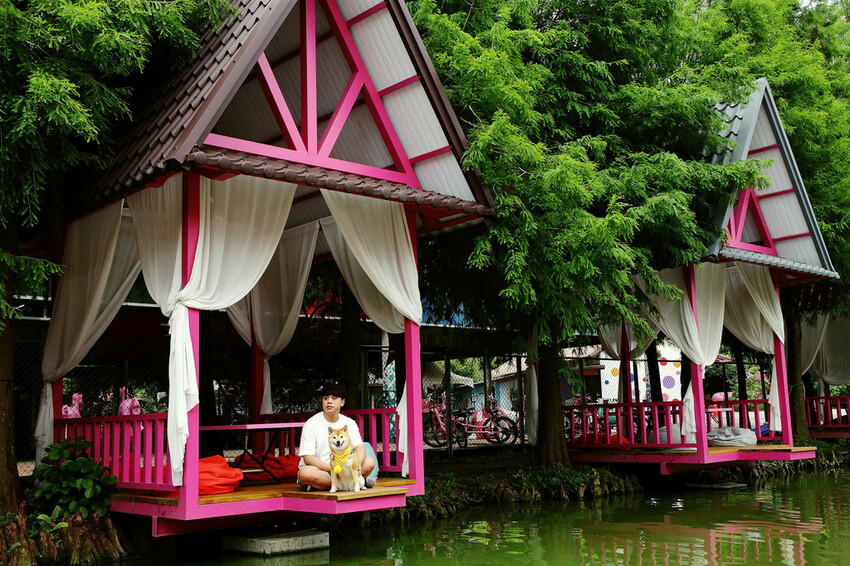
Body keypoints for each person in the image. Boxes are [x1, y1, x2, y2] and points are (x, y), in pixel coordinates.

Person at [297, 383, 377, 491]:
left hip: (344, 469)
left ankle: (325, 485)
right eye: (325, 398)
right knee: (305, 474)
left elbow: (360, 447)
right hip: (322, 470)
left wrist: (358, 464)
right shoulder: (311, 424)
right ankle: (356, 482)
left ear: (342, 402)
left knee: (369, 462)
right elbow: (308, 458)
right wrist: (332, 468)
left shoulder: (349, 423)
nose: (329, 401)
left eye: (334, 398)